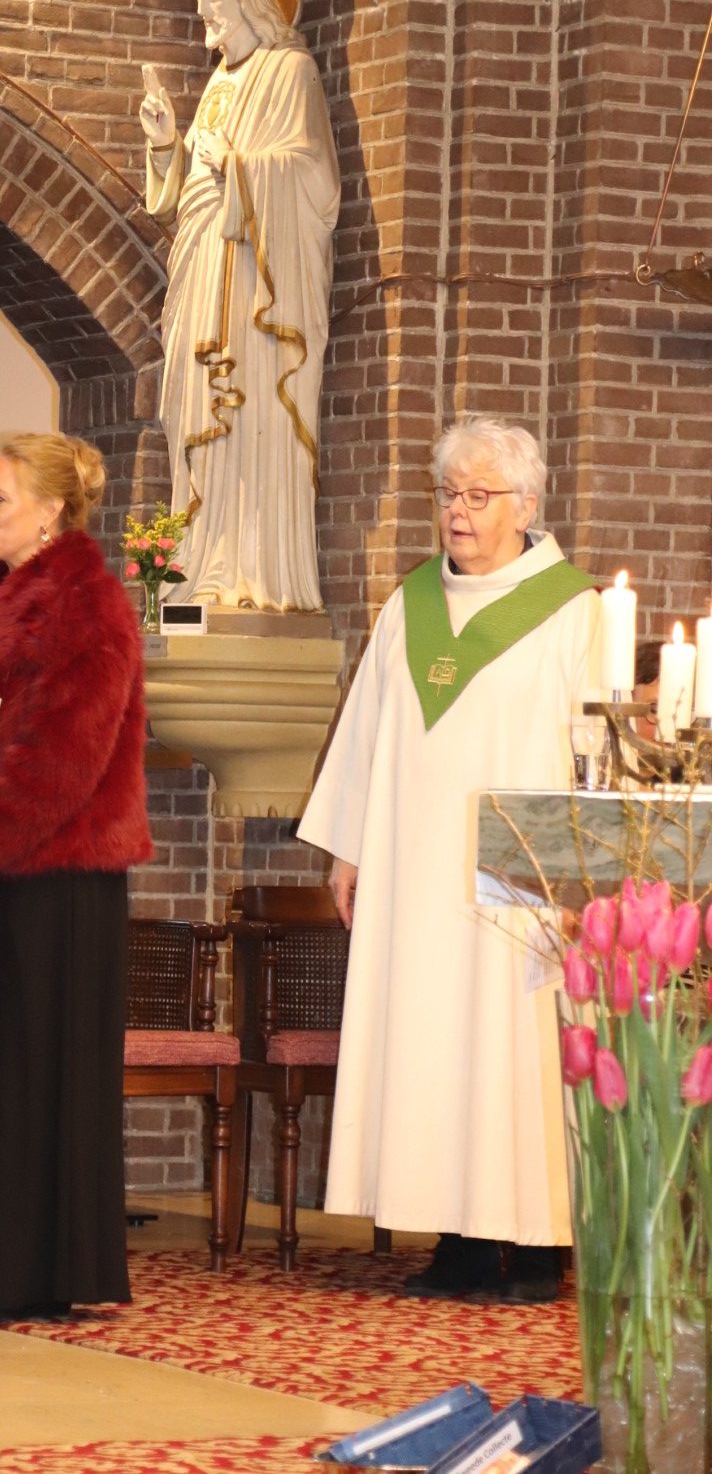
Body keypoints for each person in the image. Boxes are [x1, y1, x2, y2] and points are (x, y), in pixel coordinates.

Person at [299, 417, 601, 1302]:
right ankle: (457, 1243)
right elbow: (368, 732)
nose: (458, 511)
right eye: (449, 494)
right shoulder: (411, 604)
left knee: (514, 1052)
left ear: (526, 506)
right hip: (416, 871)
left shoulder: (570, 611)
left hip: (523, 877)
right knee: (430, 1041)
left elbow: (593, 748)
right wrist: (350, 849)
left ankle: (537, 1250)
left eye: (479, 495)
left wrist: (580, 878)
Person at [0, 431, 152, 1326]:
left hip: (55, 875)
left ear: (52, 509)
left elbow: (68, 751)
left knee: (25, 1074)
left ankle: (18, 1270)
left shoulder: (86, 600)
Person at [140, 0, 339, 613]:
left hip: (256, 286)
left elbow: (316, 182)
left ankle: (251, 570)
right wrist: (166, 147)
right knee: (193, 406)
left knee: (249, 409)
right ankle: (197, 567)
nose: (204, 12)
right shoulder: (219, 82)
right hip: (201, 267)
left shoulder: (291, 73)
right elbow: (192, 183)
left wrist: (237, 166)